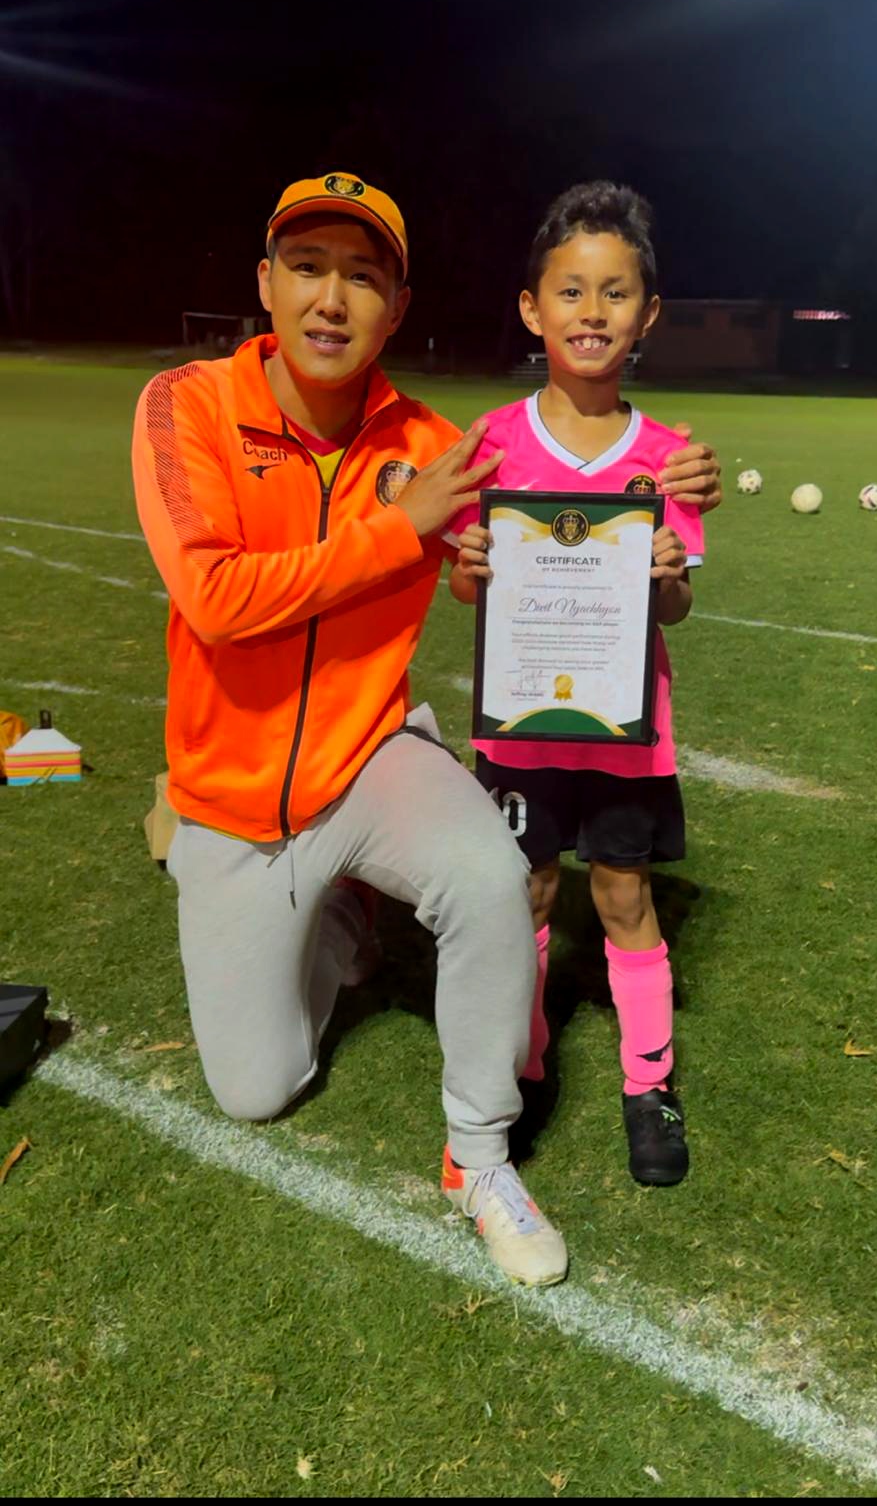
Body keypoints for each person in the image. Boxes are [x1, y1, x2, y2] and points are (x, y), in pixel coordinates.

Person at [132, 171, 720, 1285]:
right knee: (257, 1089)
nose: (331, 298)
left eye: (364, 276)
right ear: (264, 282)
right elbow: (215, 597)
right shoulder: (185, 404)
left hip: (367, 758)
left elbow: (571, 487)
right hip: (232, 794)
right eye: (307, 266)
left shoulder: (444, 443)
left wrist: (675, 482)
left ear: (396, 307)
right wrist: (399, 528)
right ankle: (341, 921)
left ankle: (481, 1157)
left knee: (497, 870)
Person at [448, 180, 705, 1188]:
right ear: (530, 306)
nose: (589, 313)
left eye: (613, 293)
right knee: (526, 890)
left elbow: (675, 606)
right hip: (521, 730)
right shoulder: (495, 441)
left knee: (623, 891)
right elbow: (473, 585)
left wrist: (669, 582)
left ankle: (649, 1084)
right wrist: (467, 569)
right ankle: (522, 1057)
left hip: (625, 731)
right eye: (569, 291)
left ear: (646, 315)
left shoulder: (669, 461)